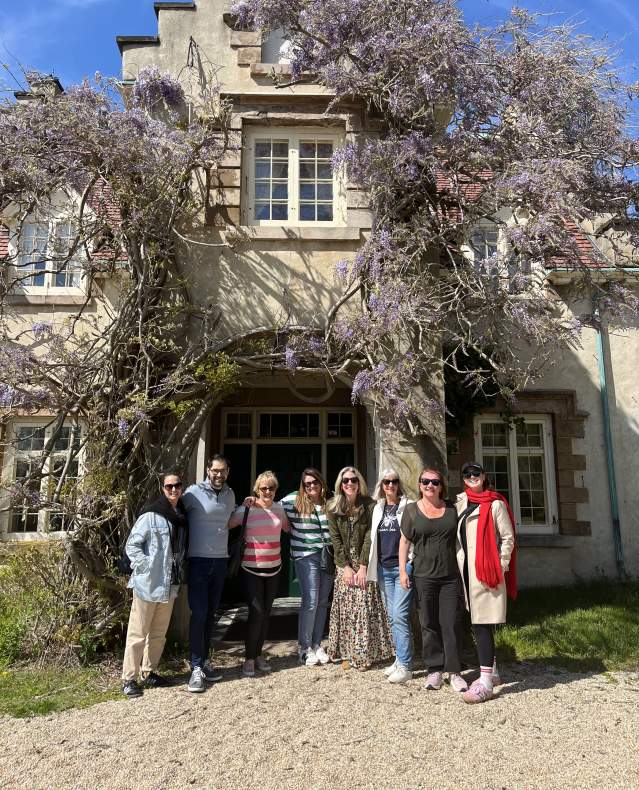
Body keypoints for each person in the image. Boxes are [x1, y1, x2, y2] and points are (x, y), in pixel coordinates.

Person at [399, 466, 467, 693]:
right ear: (419, 485)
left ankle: (454, 671)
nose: (430, 486)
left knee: (450, 623)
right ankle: (434, 669)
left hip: (449, 577)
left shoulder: (452, 509)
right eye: (425, 481)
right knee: (428, 624)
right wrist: (402, 571)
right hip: (423, 576)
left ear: (441, 486)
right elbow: (404, 542)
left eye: (435, 482)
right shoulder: (411, 511)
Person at [121, 472, 188, 697]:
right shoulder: (151, 515)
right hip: (148, 584)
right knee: (138, 633)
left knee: (159, 634)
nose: (173, 490)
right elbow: (133, 545)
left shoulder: (181, 514)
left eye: (177, 486)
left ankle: (148, 672)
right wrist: (146, 566)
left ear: (181, 487)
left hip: (170, 584)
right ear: (163, 488)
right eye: (169, 486)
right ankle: (129, 679)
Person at [456, 461, 516, 704]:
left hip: (486, 572)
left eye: (476, 473)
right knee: (478, 621)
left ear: (484, 476)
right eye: (467, 473)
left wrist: (499, 566)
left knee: (482, 624)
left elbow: (508, 538)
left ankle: (485, 682)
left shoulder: (495, 504)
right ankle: (494, 671)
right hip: (467, 571)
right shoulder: (461, 502)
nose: (472, 477)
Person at [326, 466, 393, 670]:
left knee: (364, 608)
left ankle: (364, 655)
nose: (349, 484)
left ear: (359, 483)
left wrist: (363, 566)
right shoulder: (333, 506)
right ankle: (348, 651)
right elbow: (335, 539)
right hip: (344, 563)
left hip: (365, 562)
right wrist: (345, 567)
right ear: (340, 484)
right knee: (346, 609)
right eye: (345, 480)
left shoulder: (370, 506)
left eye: (353, 480)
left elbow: (369, 538)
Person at [182, 454, 236, 693]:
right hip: (198, 561)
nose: (219, 475)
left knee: (211, 613)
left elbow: (229, 521)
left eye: (223, 471)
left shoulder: (230, 494)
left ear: (228, 472)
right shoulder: (193, 493)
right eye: (215, 470)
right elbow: (177, 514)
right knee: (199, 613)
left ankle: (204, 662)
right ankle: (194, 667)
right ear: (208, 470)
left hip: (220, 560)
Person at [228, 471, 290, 678]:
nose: (268, 491)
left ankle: (259, 654)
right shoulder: (247, 509)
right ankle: (249, 658)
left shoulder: (279, 509)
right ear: (257, 489)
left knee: (266, 613)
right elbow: (228, 523)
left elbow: (289, 528)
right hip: (251, 568)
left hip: (274, 567)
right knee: (256, 612)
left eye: (271, 488)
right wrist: (241, 505)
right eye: (263, 488)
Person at [280, 468, 333, 667]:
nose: (311, 486)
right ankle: (304, 648)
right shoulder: (293, 500)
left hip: (327, 556)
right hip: (305, 556)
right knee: (310, 601)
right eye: (307, 483)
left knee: (322, 601)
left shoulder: (331, 500)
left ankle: (317, 643)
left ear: (321, 483)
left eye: (315, 482)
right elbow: (271, 507)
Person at [369, 468, 414, 684]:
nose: (390, 485)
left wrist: (409, 563)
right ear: (381, 485)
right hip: (383, 568)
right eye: (386, 482)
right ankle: (398, 659)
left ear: (399, 484)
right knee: (391, 616)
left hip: (403, 568)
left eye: (394, 481)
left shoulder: (408, 506)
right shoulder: (378, 508)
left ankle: (405, 665)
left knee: (399, 615)